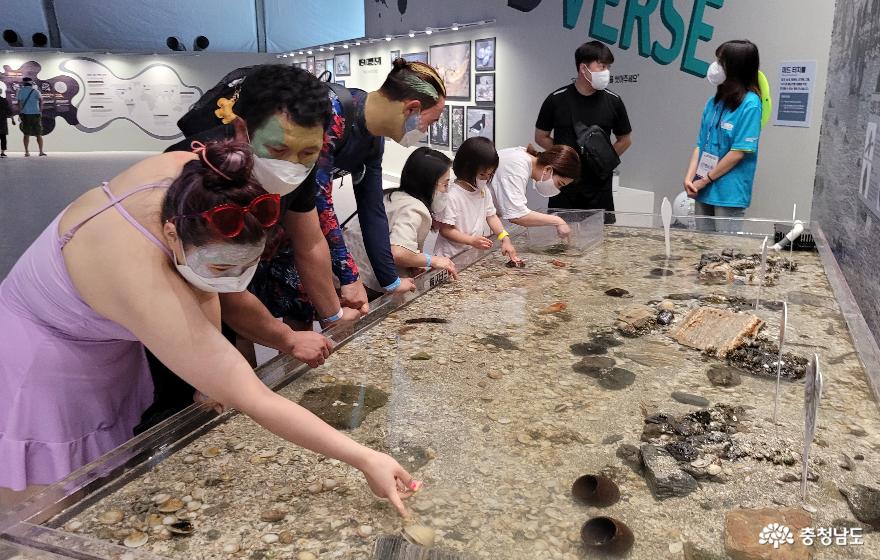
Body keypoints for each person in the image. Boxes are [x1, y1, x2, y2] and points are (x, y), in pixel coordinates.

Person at [0, 140, 416, 516]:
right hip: (37, 360)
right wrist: (365, 457)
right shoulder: (136, 275)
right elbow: (253, 397)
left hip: (102, 347)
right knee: (49, 506)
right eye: (220, 266)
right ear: (171, 233)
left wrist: (214, 372)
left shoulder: (197, 185)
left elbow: (207, 289)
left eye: (244, 266)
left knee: (102, 470)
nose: (232, 278)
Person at [535, 40, 631, 223]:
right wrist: (564, 156)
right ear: (583, 68)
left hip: (599, 185)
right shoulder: (556, 100)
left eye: (608, 67)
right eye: (601, 66)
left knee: (603, 237)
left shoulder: (614, 101)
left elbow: (625, 139)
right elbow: (540, 136)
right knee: (561, 235)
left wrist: (603, 160)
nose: (606, 72)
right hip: (563, 183)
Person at [343, 147, 460, 297]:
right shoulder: (415, 208)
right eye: (445, 184)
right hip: (361, 279)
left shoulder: (392, 195)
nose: (446, 191)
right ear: (428, 184)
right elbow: (397, 253)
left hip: (344, 269)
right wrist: (432, 260)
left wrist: (413, 263)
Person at [683, 40, 763, 234]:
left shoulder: (751, 104)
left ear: (736, 67)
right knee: (703, 248)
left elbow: (738, 153)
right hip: (702, 188)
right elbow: (700, 144)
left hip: (729, 192)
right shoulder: (713, 102)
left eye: (721, 61)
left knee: (724, 253)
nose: (715, 66)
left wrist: (705, 179)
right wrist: (690, 177)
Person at [434, 137, 521, 262]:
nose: (485, 179)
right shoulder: (452, 194)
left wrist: (505, 238)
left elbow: (491, 216)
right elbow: (446, 230)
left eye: (489, 175)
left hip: (470, 255)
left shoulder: (483, 190)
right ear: (466, 168)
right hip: (449, 257)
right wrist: (471, 240)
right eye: (482, 174)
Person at [490, 144, 581, 238]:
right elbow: (517, 215)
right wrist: (558, 221)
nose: (558, 189)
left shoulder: (523, 158)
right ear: (548, 169)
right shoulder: (516, 167)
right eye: (559, 184)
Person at [15, 77, 46, 157]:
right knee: (38, 134)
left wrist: (20, 111)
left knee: (26, 134)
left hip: (25, 114)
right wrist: (40, 111)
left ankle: (26, 152)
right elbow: (41, 101)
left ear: (23, 83)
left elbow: (19, 103)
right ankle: (41, 152)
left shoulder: (20, 91)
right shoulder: (36, 91)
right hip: (36, 114)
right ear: (31, 83)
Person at [0, 91, 13, 157]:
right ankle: (2, 152)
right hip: (2, 120)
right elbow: (8, 110)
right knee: (3, 137)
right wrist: (12, 119)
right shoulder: (4, 101)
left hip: (2, 120)